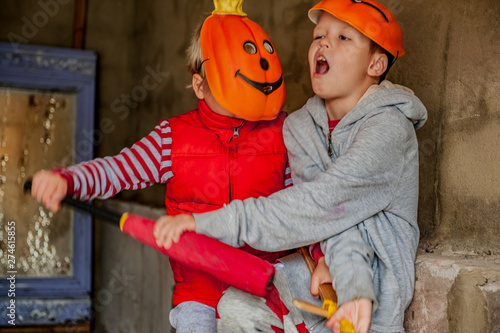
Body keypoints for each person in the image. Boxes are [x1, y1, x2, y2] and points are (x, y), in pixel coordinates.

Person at [153, 0, 428, 332]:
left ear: (376, 63)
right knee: (233, 308)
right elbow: (323, 216)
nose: (324, 43)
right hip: (315, 276)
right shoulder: (301, 126)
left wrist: (212, 223)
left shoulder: (388, 130)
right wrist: (327, 258)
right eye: (319, 35)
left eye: (344, 38)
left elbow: (325, 204)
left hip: (370, 306)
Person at [29, 2, 294, 332]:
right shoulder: (173, 137)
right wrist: (66, 180)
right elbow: (117, 170)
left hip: (267, 287)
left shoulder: (283, 133)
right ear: (200, 85)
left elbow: (301, 207)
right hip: (200, 294)